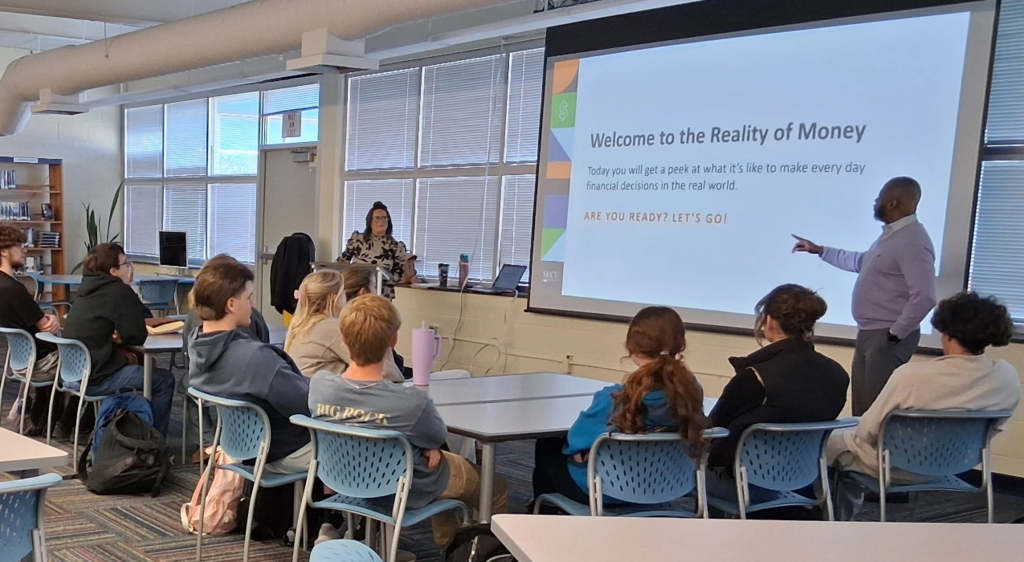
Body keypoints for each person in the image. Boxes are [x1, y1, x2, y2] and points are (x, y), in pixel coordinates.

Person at [309, 294, 508, 545]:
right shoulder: (411, 402)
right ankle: (475, 552)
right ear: (394, 341)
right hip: (406, 484)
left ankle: (448, 543)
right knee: (496, 488)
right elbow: (437, 436)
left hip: (342, 479)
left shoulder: (320, 386)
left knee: (438, 464)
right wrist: (428, 446)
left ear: (343, 339)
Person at [826, 292, 1021, 480]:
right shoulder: (1006, 376)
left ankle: (824, 502)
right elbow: (996, 427)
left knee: (821, 440)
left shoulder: (911, 375)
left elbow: (867, 431)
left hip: (892, 466)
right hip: (956, 465)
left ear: (947, 333)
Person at [532, 306, 709, 508]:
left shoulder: (615, 397)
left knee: (549, 445)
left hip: (607, 491)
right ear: (680, 344)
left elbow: (576, 439)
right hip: (669, 486)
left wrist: (585, 448)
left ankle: (544, 514)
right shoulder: (691, 394)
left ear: (631, 345)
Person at [792, 176, 937, 415]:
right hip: (871, 333)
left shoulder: (913, 241)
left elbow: (925, 296)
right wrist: (820, 250)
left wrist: (895, 333)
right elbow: (862, 262)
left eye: (879, 197)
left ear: (893, 203)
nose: (875, 201)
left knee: (875, 411)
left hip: (886, 336)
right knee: (862, 408)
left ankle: (872, 443)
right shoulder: (892, 235)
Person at [187, 255, 311, 474]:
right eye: (249, 297)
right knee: (366, 452)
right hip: (283, 450)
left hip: (242, 447)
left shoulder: (198, 347)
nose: (253, 305)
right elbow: (306, 405)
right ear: (231, 304)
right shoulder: (255, 358)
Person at [708, 285, 850, 468]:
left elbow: (713, 429)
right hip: (805, 476)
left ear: (770, 322)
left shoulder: (754, 378)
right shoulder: (838, 375)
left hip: (740, 476)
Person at [62, 243, 175, 434]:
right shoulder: (118, 291)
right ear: (113, 271)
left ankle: (92, 426)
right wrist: (123, 337)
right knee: (164, 380)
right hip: (98, 377)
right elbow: (138, 336)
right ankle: (155, 440)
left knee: (141, 363)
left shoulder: (87, 288)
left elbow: (139, 318)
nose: (130, 268)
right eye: (126, 264)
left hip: (73, 374)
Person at [0, 225, 81, 436]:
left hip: (19, 361)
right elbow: (45, 326)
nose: (25, 250)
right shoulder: (14, 290)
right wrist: (51, 318)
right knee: (94, 361)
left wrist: (47, 319)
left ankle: (53, 421)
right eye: (20, 246)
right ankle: (70, 423)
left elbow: (37, 319)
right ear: (4, 251)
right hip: (42, 361)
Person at [284, 270, 404, 381]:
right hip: (333, 395)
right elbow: (387, 374)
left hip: (313, 393)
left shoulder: (301, 325)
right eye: (343, 294)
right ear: (335, 299)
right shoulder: (332, 328)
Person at [338, 201, 409, 300]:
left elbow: (398, 274)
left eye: (384, 218)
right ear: (370, 221)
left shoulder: (396, 247)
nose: (381, 221)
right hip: (357, 293)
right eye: (377, 218)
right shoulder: (358, 240)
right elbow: (341, 263)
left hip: (382, 295)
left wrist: (382, 278)